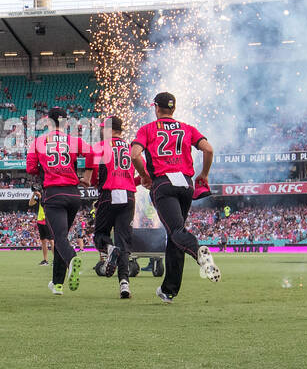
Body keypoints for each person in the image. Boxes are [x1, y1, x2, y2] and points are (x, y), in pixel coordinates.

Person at [131, 92, 220, 303]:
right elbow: (208, 149)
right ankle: (169, 290)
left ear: (156, 108)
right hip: (185, 184)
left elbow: (135, 154)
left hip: (163, 183)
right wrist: (204, 174)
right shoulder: (187, 128)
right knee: (174, 234)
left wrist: (144, 176)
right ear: (174, 108)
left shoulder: (147, 129)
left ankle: (199, 251)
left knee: (177, 231)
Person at [26, 107, 96, 295]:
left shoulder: (39, 141)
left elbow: (31, 168)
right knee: (61, 235)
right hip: (73, 194)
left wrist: (43, 166)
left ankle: (72, 259)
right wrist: (87, 176)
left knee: (59, 237)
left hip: (54, 193)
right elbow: (92, 153)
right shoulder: (74, 141)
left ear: (48, 122)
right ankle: (57, 283)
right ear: (66, 123)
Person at [90, 116, 137, 300]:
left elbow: (94, 174)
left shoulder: (101, 146)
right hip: (129, 195)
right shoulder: (132, 147)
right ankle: (124, 284)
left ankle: (110, 250)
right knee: (123, 242)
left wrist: (93, 183)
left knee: (100, 235)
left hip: (109, 194)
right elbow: (139, 175)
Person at [31, 192, 54, 265]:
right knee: (43, 241)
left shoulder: (49, 195)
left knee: (51, 241)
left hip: (47, 219)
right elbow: (30, 203)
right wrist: (33, 195)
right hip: (40, 220)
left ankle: (55, 260)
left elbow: (44, 204)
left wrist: (40, 196)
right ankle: (45, 260)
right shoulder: (40, 196)